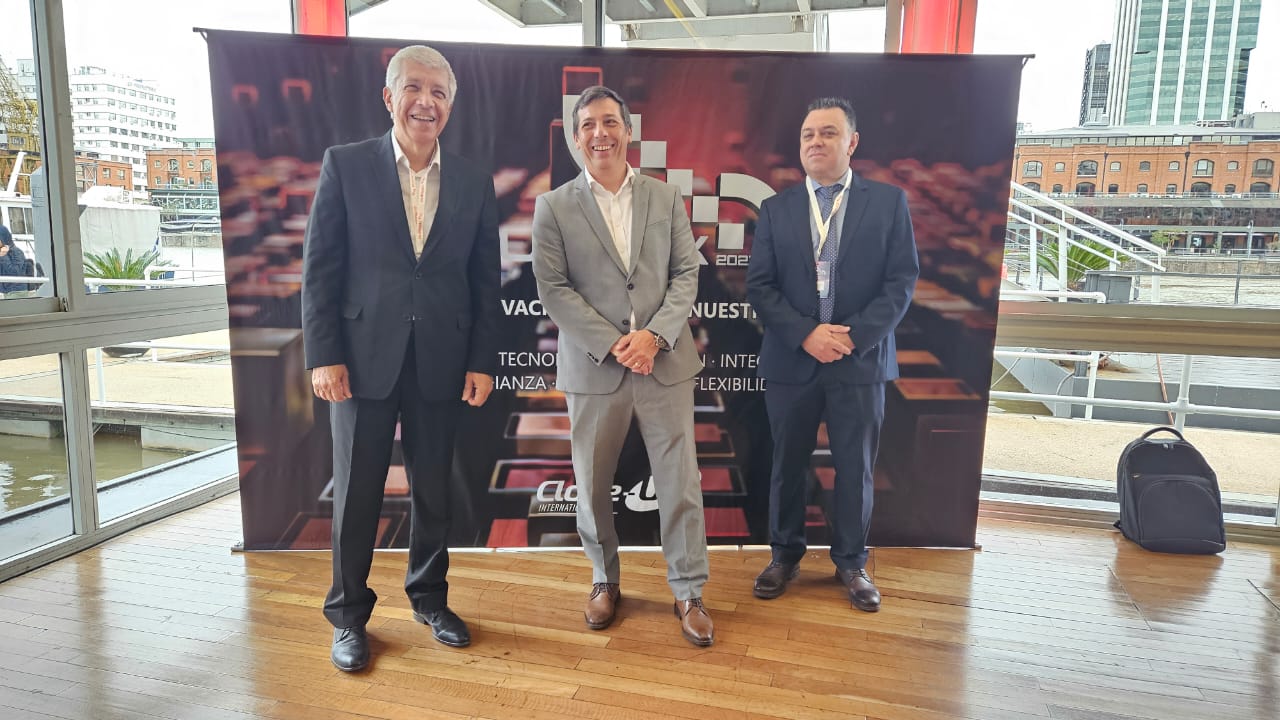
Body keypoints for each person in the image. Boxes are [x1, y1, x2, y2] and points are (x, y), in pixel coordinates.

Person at [301, 45, 501, 671]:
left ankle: (430, 599)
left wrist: (482, 359)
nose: (426, 102)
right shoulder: (346, 165)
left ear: (450, 106)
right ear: (389, 97)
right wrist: (324, 354)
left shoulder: (472, 181)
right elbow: (320, 269)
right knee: (356, 494)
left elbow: (485, 280)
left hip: (442, 358)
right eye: (414, 88)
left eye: (439, 92)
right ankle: (348, 616)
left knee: (434, 489)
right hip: (361, 360)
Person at [531, 85, 714, 647]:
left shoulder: (665, 196)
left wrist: (654, 337)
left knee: (680, 484)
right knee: (591, 484)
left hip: (665, 363)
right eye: (587, 124)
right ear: (575, 137)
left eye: (609, 122)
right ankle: (603, 579)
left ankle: (688, 590)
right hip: (595, 369)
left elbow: (686, 273)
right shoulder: (553, 206)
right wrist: (615, 344)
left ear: (628, 131)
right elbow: (553, 290)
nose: (599, 133)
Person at [746, 97, 919, 612]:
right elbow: (760, 286)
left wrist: (850, 338)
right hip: (792, 360)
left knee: (855, 468)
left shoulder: (888, 203)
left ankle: (851, 563)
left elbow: (901, 282)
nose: (815, 142)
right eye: (808, 134)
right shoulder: (775, 209)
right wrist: (807, 335)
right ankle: (784, 556)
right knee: (787, 465)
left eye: (827, 133)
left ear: (852, 142)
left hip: (859, 361)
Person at [0, 224, 31, 298]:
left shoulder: (16, 252)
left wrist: (3, 256)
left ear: (3, 238)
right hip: (5, 292)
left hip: (17, 292)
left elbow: (15, 273)